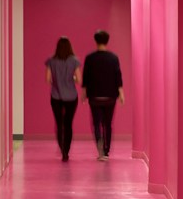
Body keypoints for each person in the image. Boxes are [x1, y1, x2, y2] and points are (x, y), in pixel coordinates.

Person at [81, 29, 124, 161]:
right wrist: (121, 94)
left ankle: (100, 147)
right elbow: (118, 77)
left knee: (96, 123)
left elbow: (85, 78)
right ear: (107, 41)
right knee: (108, 123)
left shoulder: (90, 58)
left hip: (94, 96)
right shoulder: (114, 58)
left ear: (96, 41)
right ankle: (106, 151)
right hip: (110, 96)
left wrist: (83, 94)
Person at [44, 37, 81, 161]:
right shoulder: (74, 61)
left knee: (59, 123)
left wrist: (57, 81)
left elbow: (48, 79)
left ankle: (62, 149)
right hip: (71, 96)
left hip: (56, 96)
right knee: (68, 123)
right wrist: (71, 79)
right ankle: (67, 151)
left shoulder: (51, 61)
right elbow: (79, 79)